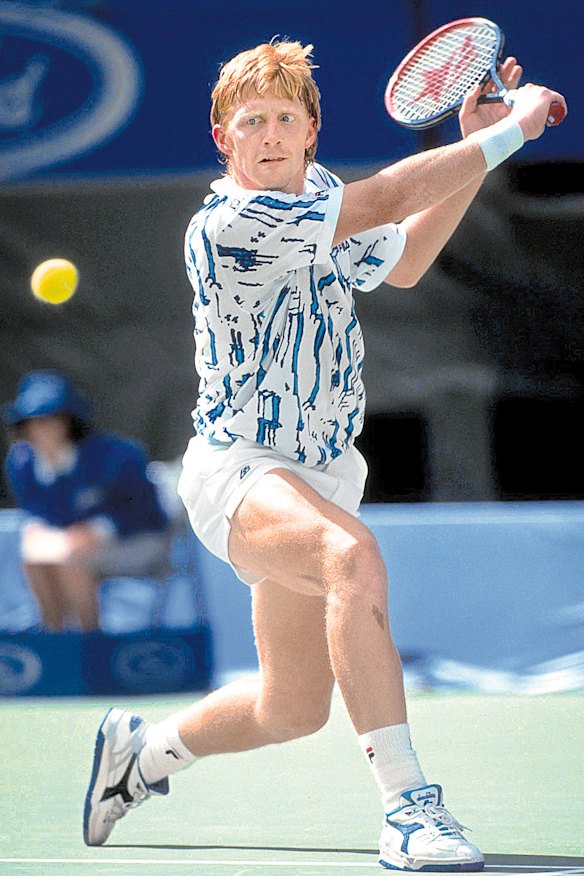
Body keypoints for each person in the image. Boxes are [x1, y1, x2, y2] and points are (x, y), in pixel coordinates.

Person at [83, 40, 566, 869]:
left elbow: (407, 257)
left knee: (290, 708)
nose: (269, 135)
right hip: (238, 472)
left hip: (322, 474)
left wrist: (475, 154)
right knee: (352, 558)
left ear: (310, 131)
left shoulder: (319, 199)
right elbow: (384, 198)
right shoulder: (229, 223)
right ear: (222, 138)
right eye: (252, 122)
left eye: (284, 119)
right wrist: (504, 137)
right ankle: (411, 809)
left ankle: (144, 754)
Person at [3, 370, 170, 632]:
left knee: (73, 559)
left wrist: (96, 531)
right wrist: (37, 530)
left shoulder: (119, 456)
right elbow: (38, 513)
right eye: (35, 421)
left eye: (53, 419)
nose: (44, 429)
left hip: (138, 541)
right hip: (67, 546)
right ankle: (55, 639)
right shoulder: (22, 463)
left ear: (70, 421)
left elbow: (145, 514)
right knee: (35, 559)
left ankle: (90, 642)